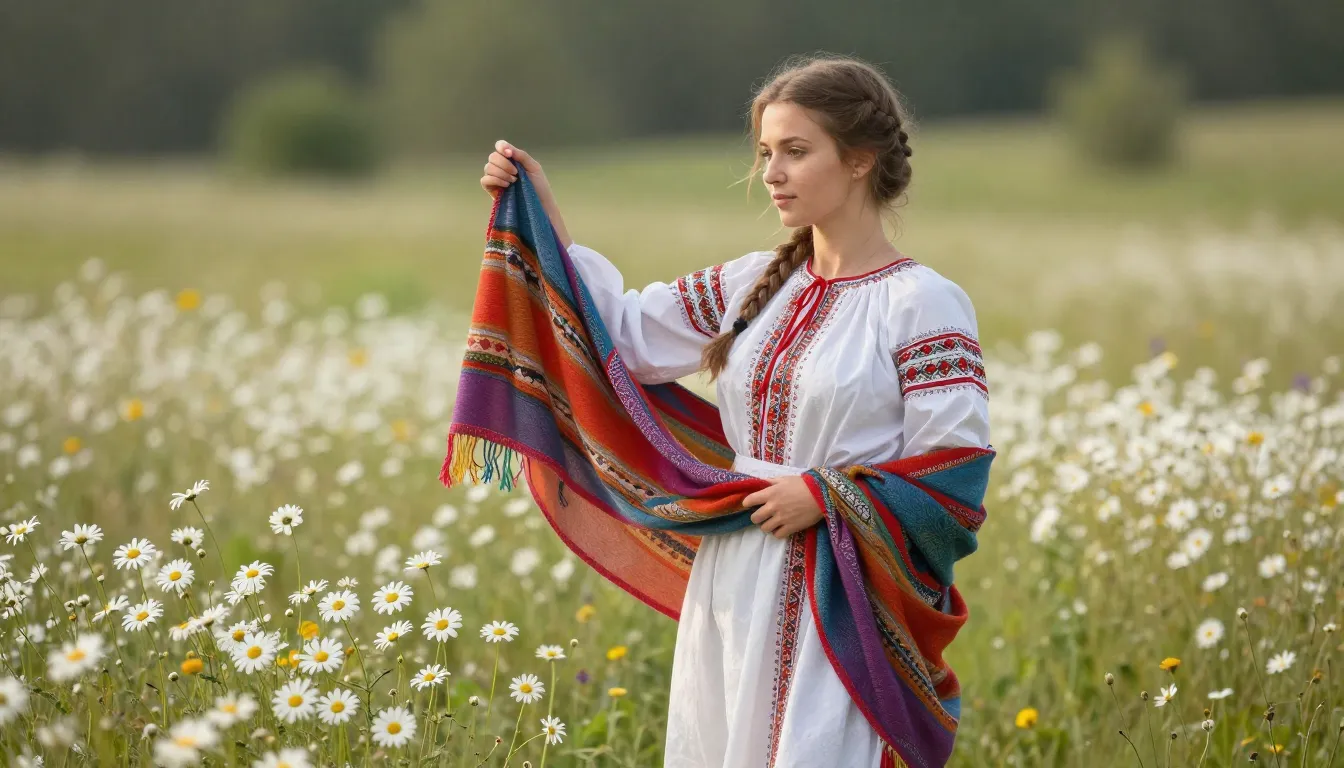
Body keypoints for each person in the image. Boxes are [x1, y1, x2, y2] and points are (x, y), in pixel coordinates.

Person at [479, 53, 990, 768]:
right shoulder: (752, 283)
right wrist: (540, 211)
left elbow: (955, 475)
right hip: (734, 576)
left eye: (795, 151)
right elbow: (619, 336)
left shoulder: (922, 303)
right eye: (765, 153)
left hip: (842, 593)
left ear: (859, 160)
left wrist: (827, 493)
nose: (771, 173)